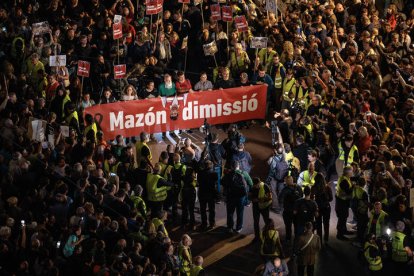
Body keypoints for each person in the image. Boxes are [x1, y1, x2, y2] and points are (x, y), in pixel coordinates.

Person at [222, 160, 248, 233]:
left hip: (230, 196)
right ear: (238, 166)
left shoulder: (228, 174)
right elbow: (250, 183)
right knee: (240, 213)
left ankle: (230, 227)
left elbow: (222, 182)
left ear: (231, 167)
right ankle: (238, 228)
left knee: (230, 213)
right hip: (240, 198)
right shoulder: (244, 173)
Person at [279, 175, 303, 242]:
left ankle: (288, 239)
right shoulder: (298, 188)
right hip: (297, 211)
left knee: (288, 226)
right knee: (296, 226)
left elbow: (280, 199)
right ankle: (297, 239)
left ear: (286, 182)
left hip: (288, 211)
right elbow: (301, 197)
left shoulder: (285, 189)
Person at [311, 173, 333, 243]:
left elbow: (311, 199)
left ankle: (319, 240)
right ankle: (326, 239)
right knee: (326, 224)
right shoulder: (327, 188)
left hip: (318, 208)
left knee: (318, 224)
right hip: (326, 208)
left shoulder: (313, 187)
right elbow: (331, 199)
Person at [335, 166, 354, 240]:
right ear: (348, 172)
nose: (352, 172)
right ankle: (339, 235)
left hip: (343, 202)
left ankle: (344, 230)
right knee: (342, 218)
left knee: (344, 217)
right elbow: (348, 191)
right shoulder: (344, 181)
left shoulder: (345, 178)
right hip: (341, 202)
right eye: (351, 171)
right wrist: (353, 187)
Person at [198, 160, 218, 230]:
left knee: (203, 210)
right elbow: (215, 182)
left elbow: (198, 182)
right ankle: (212, 223)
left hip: (202, 194)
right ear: (211, 165)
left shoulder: (200, 173)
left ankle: (204, 223)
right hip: (211, 194)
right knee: (211, 209)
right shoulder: (214, 173)